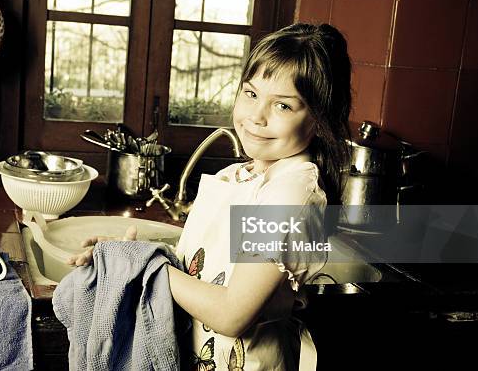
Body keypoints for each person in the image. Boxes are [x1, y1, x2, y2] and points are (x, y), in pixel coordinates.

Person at [68, 23, 352, 370]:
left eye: (282, 106)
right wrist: (125, 253)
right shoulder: (238, 176)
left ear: (319, 120)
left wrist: (145, 265)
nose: (256, 117)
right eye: (250, 93)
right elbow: (206, 272)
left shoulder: (289, 193)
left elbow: (231, 314)